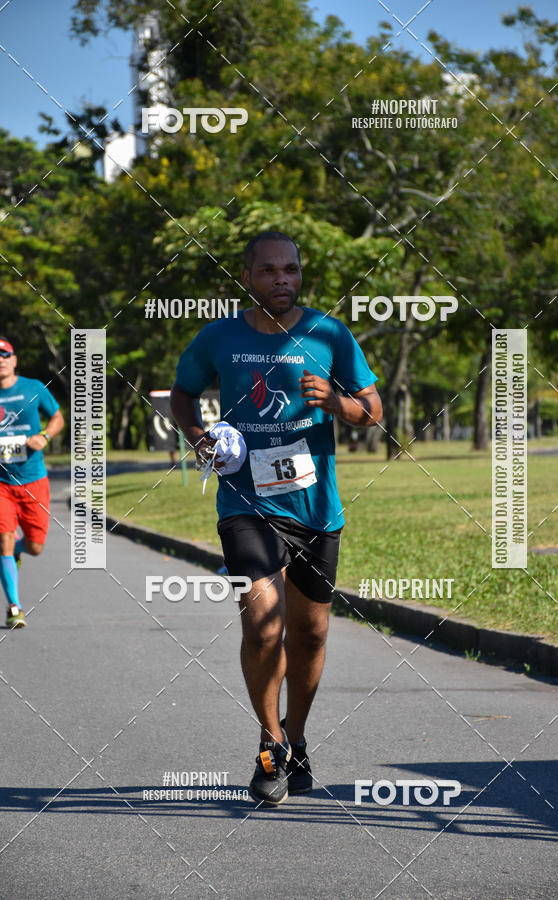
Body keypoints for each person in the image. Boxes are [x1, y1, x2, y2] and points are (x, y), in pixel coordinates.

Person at [171, 232, 382, 805]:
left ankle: (296, 737)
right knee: (262, 623)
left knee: (310, 633)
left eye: (291, 270)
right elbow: (182, 394)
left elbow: (372, 410)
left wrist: (338, 403)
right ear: (247, 276)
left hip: (315, 509)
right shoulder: (219, 337)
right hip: (246, 503)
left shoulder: (329, 334)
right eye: (269, 271)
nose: (282, 280)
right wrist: (199, 439)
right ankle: (269, 746)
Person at [0, 338, 64, 628]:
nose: (0, 360)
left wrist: (45, 437)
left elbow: (58, 418)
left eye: (5, 354)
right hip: (1, 481)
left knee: (36, 546)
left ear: (14, 359)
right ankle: (14, 606)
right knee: (3, 536)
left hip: (33, 479)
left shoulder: (33, 387)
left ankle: (15, 551)